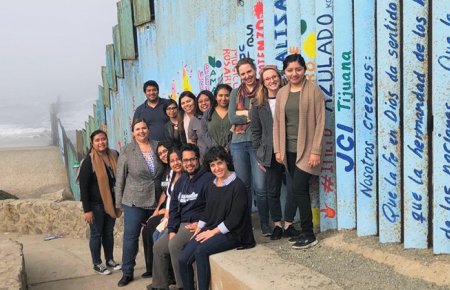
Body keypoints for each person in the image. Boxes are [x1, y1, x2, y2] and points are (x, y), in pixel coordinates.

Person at [178, 146, 255, 290]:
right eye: (212, 165)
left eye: (219, 163)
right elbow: (208, 211)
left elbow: (234, 219)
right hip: (212, 228)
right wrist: (199, 229)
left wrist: (212, 233)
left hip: (234, 233)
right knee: (183, 259)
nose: (217, 168)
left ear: (226, 162)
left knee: (201, 251)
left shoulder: (238, 185)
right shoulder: (213, 183)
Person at [273, 54, 325, 249]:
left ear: (304, 69)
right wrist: (278, 149)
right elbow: (278, 122)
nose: (294, 73)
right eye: (289, 70)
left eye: (298, 69)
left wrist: (316, 151)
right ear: (284, 72)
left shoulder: (314, 91)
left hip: (308, 150)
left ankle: (309, 234)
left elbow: (320, 123)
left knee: (298, 190)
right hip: (289, 150)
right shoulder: (282, 93)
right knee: (300, 190)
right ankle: (305, 232)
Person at [150, 144, 214, 290]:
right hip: (180, 224)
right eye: (185, 160)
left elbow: (212, 206)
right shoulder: (182, 181)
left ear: (199, 159)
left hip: (195, 224)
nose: (189, 163)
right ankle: (160, 285)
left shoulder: (208, 179)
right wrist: (172, 230)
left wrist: (201, 223)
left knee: (174, 245)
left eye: (192, 159)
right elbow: (173, 208)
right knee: (159, 247)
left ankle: (183, 286)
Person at [251, 65, 300, 240]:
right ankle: (277, 224)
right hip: (270, 152)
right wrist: (259, 155)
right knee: (273, 190)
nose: (272, 81)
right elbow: (255, 132)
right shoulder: (257, 104)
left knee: (294, 187)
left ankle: (289, 223)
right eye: (267, 78)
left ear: (279, 77)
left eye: (274, 77)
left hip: (291, 149)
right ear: (263, 83)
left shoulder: (289, 97)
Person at [115, 118, 165, 287]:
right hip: (134, 201)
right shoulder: (127, 150)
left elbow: (167, 168)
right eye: (138, 129)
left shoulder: (158, 146)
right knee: (131, 238)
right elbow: (120, 179)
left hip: (157, 199)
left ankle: (153, 269)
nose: (141, 131)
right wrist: (118, 204)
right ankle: (127, 272)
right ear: (133, 132)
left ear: (148, 129)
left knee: (155, 235)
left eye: (144, 128)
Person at [228, 57, 270, 235]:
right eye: (243, 73)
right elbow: (232, 118)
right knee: (243, 186)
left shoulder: (265, 89)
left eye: (249, 71)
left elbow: (267, 116)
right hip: (238, 144)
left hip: (258, 143)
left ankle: (265, 224)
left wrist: (244, 114)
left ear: (255, 69)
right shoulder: (235, 93)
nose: (247, 76)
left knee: (261, 187)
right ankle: (245, 224)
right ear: (239, 76)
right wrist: (254, 115)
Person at [79, 129, 121, 275]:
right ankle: (97, 263)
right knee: (96, 234)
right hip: (95, 205)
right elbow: (83, 187)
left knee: (108, 233)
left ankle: (109, 259)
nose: (101, 142)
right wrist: (87, 210)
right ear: (92, 143)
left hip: (111, 202)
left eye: (103, 139)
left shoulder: (114, 155)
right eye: (97, 140)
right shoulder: (88, 161)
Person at [141, 141, 173, 278]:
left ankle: (164, 272)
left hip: (172, 210)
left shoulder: (176, 168)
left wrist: (165, 211)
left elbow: (175, 194)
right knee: (147, 228)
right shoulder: (165, 170)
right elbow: (164, 192)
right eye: (160, 153)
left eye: (165, 151)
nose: (163, 155)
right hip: (164, 207)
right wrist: (156, 210)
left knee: (153, 230)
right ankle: (151, 268)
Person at [200, 84, 233, 154]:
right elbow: (204, 133)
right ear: (215, 97)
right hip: (213, 153)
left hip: (233, 152)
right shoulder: (208, 113)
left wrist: (227, 148)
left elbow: (237, 132)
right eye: (220, 95)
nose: (223, 98)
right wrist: (217, 149)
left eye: (227, 95)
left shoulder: (234, 112)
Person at [188, 90, 214, 157]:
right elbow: (192, 142)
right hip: (203, 159)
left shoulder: (218, 115)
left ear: (212, 101)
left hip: (221, 156)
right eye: (200, 101)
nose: (204, 103)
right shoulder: (194, 119)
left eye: (206, 100)